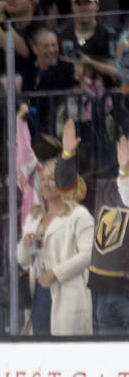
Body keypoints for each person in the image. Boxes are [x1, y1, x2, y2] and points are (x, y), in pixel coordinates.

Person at [56, 118, 129, 333]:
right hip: (104, 294)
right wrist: (67, 156)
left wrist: (124, 173)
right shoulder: (105, 187)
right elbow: (66, 188)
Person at [16, 156, 93, 335]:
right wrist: (25, 243)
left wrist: (55, 273)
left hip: (69, 296)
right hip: (41, 294)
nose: (45, 184)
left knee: (68, 359)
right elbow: (22, 259)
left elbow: (88, 254)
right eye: (42, 179)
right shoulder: (34, 216)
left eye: (51, 179)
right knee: (42, 356)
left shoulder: (79, 215)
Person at [56, 0, 118, 83]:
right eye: (78, 3)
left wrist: (91, 63)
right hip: (70, 89)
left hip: (103, 91)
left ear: (96, 5)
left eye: (87, 3)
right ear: (72, 6)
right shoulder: (62, 34)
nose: (83, 7)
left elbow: (116, 70)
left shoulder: (108, 33)